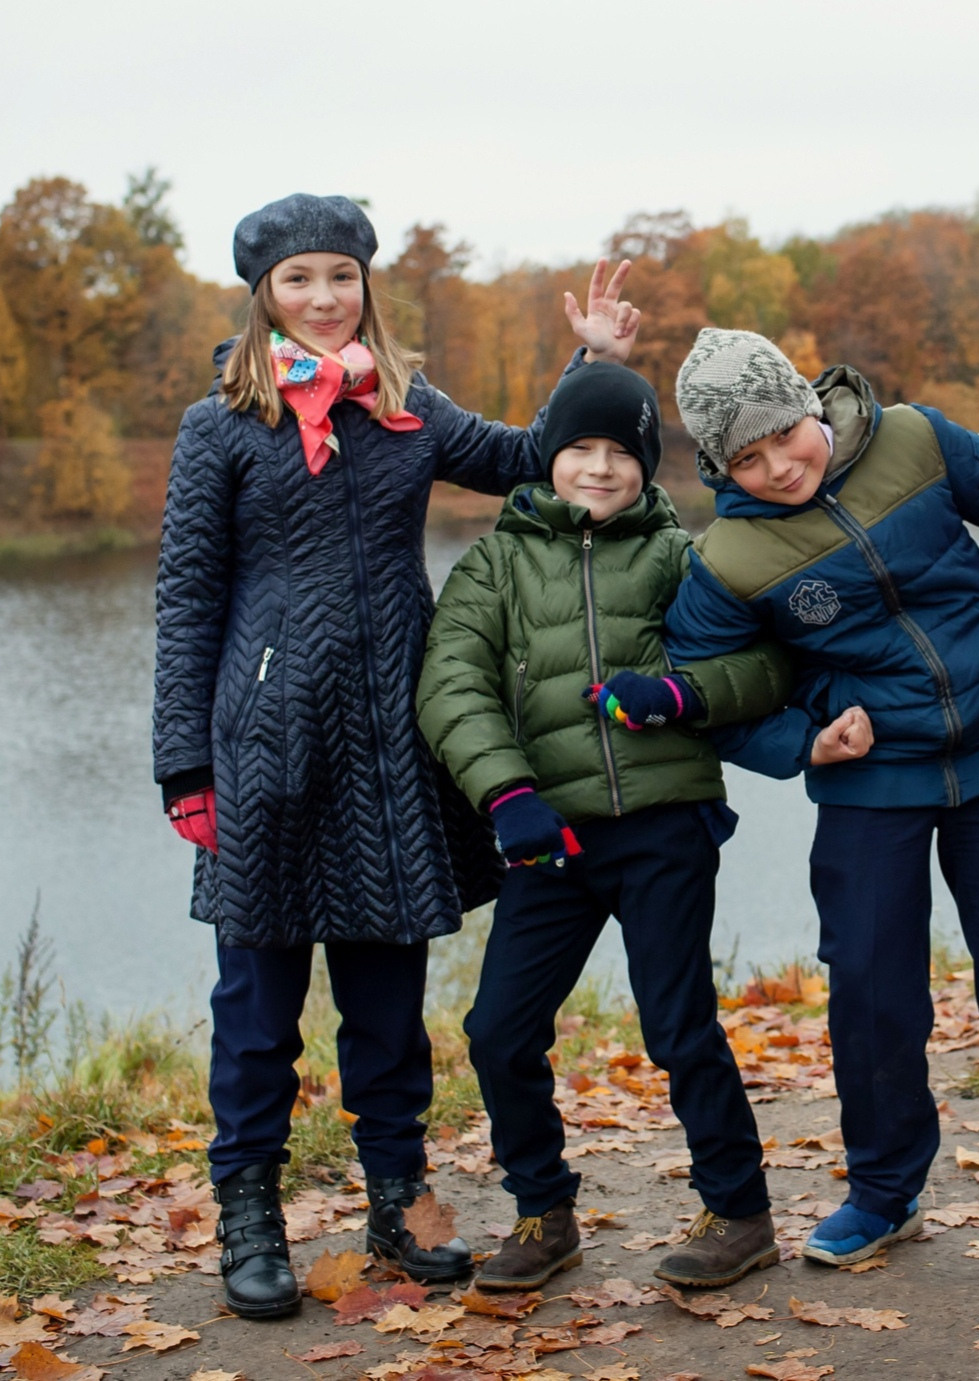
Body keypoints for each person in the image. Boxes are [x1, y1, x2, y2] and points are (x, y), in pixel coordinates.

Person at [150, 192, 641, 1319]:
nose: (322, 298)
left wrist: (588, 365)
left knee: (387, 998)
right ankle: (249, 1210)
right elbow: (185, 598)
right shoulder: (220, 426)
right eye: (297, 281)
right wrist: (186, 764)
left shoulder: (408, 408)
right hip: (265, 747)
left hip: (387, 745)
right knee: (258, 1004)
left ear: (366, 284)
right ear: (264, 294)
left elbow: (529, 457)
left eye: (339, 276)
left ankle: (397, 1199)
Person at [661, 329, 979, 1285]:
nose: (780, 465)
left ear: (808, 406)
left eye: (786, 433)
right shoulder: (730, 557)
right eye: (747, 456)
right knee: (870, 989)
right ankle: (882, 1191)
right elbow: (702, 692)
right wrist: (801, 739)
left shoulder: (916, 439)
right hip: (871, 782)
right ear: (715, 464)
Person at [416, 362, 828, 1292]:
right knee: (498, 1031)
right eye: (580, 449)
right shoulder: (497, 562)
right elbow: (451, 685)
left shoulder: (682, 558)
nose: (599, 469)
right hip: (545, 838)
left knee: (678, 1024)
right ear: (549, 459)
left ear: (648, 465)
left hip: (662, 827)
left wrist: (679, 693)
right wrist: (506, 795)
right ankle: (542, 1211)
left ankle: (739, 1210)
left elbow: (766, 668)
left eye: (620, 453)